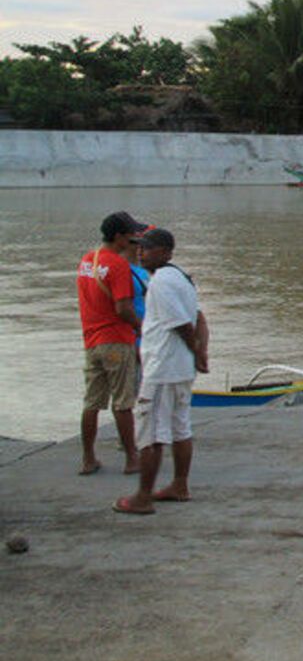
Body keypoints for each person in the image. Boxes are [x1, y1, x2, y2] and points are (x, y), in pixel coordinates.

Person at [114, 228, 205, 515]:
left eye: (148, 248)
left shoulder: (162, 283)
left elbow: (182, 325)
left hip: (163, 368)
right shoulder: (180, 277)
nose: (140, 252)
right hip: (179, 368)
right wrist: (200, 354)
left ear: (165, 252)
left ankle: (143, 496)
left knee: (151, 432)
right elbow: (199, 318)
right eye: (139, 247)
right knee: (180, 427)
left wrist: (195, 350)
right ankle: (180, 484)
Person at [77, 211, 147, 476]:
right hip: (117, 340)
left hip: (91, 341)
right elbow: (123, 309)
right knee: (123, 402)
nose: (132, 241)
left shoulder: (87, 260)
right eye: (130, 235)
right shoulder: (118, 266)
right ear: (119, 236)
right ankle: (132, 459)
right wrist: (141, 328)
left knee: (91, 402)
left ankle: (88, 458)